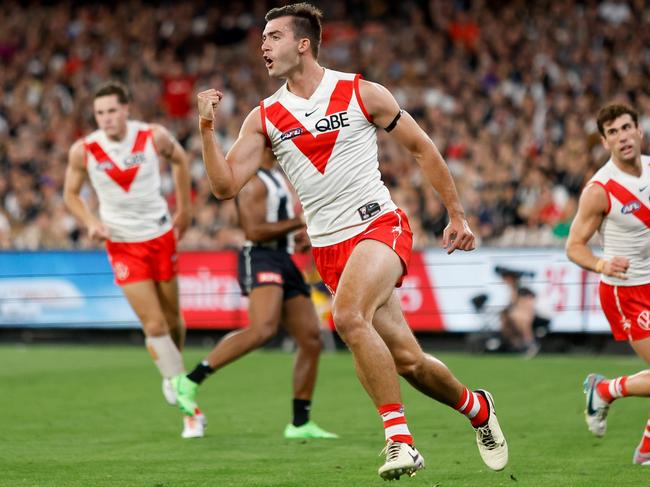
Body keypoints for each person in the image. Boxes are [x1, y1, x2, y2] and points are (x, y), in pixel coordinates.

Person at [191, 2, 508, 480]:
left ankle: (400, 441)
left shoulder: (361, 92)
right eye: (262, 38)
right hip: (328, 249)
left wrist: (456, 215)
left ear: (303, 44)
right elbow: (224, 186)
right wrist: (206, 129)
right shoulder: (265, 117)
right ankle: (477, 408)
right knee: (409, 361)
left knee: (346, 316)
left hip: (379, 225)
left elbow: (422, 147)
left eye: (273, 36)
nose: (263, 45)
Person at [63, 81, 204, 439]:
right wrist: (91, 222)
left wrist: (184, 212)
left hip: (160, 237)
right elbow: (70, 194)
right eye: (100, 113)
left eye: (112, 110)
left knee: (174, 321)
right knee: (154, 325)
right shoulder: (84, 150)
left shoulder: (152, 136)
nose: (107, 118)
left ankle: (175, 371)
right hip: (122, 244)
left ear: (126, 109)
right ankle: (190, 409)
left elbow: (180, 160)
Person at [172, 151, 337, 439]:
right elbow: (254, 230)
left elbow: (275, 223)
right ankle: (190, 379)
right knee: (263, 330)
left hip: (283, 258)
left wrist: (294, 236)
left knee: (311, 338)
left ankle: (300, 423)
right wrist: (301, 222)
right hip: (260, 257)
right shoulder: (253, 180)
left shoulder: (276, 175)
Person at [566, 103, 650, 465]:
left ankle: (646, 451)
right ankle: (604, 390)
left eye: (626, 127)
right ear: (604, 142)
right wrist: (602, 263)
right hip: (625, 292)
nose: (622, 137)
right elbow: (573, 247)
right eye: (612, 132)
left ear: (639, 131)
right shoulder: (600, 190)